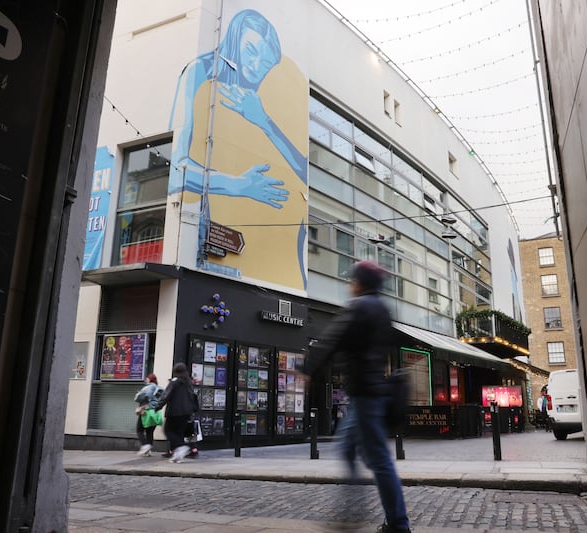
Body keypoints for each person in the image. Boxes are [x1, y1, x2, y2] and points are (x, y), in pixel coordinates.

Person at [167, 8, 309, 290]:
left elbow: (305, 171)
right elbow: (175, 173)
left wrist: (264, 122)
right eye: (251, 51)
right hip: (202, 249)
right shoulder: (198, 74)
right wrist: (239, 185)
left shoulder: (266, 96)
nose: (256, 66)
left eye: (266, 62)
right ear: (233, 38)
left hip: (281, 268)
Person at [303, 261, 411, 533]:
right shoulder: (384, 309)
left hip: (365, 395)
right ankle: (352, 512)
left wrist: (307, 370)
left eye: (353, 281)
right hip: (368, 393)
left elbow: (331, 339)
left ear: (361, 283)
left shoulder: (360, 307)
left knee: (379, 462)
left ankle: (397, 525)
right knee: (348, 449)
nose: (349, 285)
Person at [155, 362, 198, 463]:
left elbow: (166, 395)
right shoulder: (188, 382)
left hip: (175, 412)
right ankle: (177, 455)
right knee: (178, 433)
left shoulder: (174, 382)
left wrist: (158, 406)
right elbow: (193, 397)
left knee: (168, 431)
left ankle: (181, 447)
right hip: (186, 412)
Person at [134, 373, 161, 456]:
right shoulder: (159, 388)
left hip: (146, 411)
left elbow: (139, 398)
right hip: (155, 412)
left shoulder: (148, 387)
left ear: (150, 379)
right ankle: (148, 451)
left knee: (139, 430)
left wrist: (139, 395)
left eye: (147, 378)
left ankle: (145, 445)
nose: (146, 379)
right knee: (150, 432)